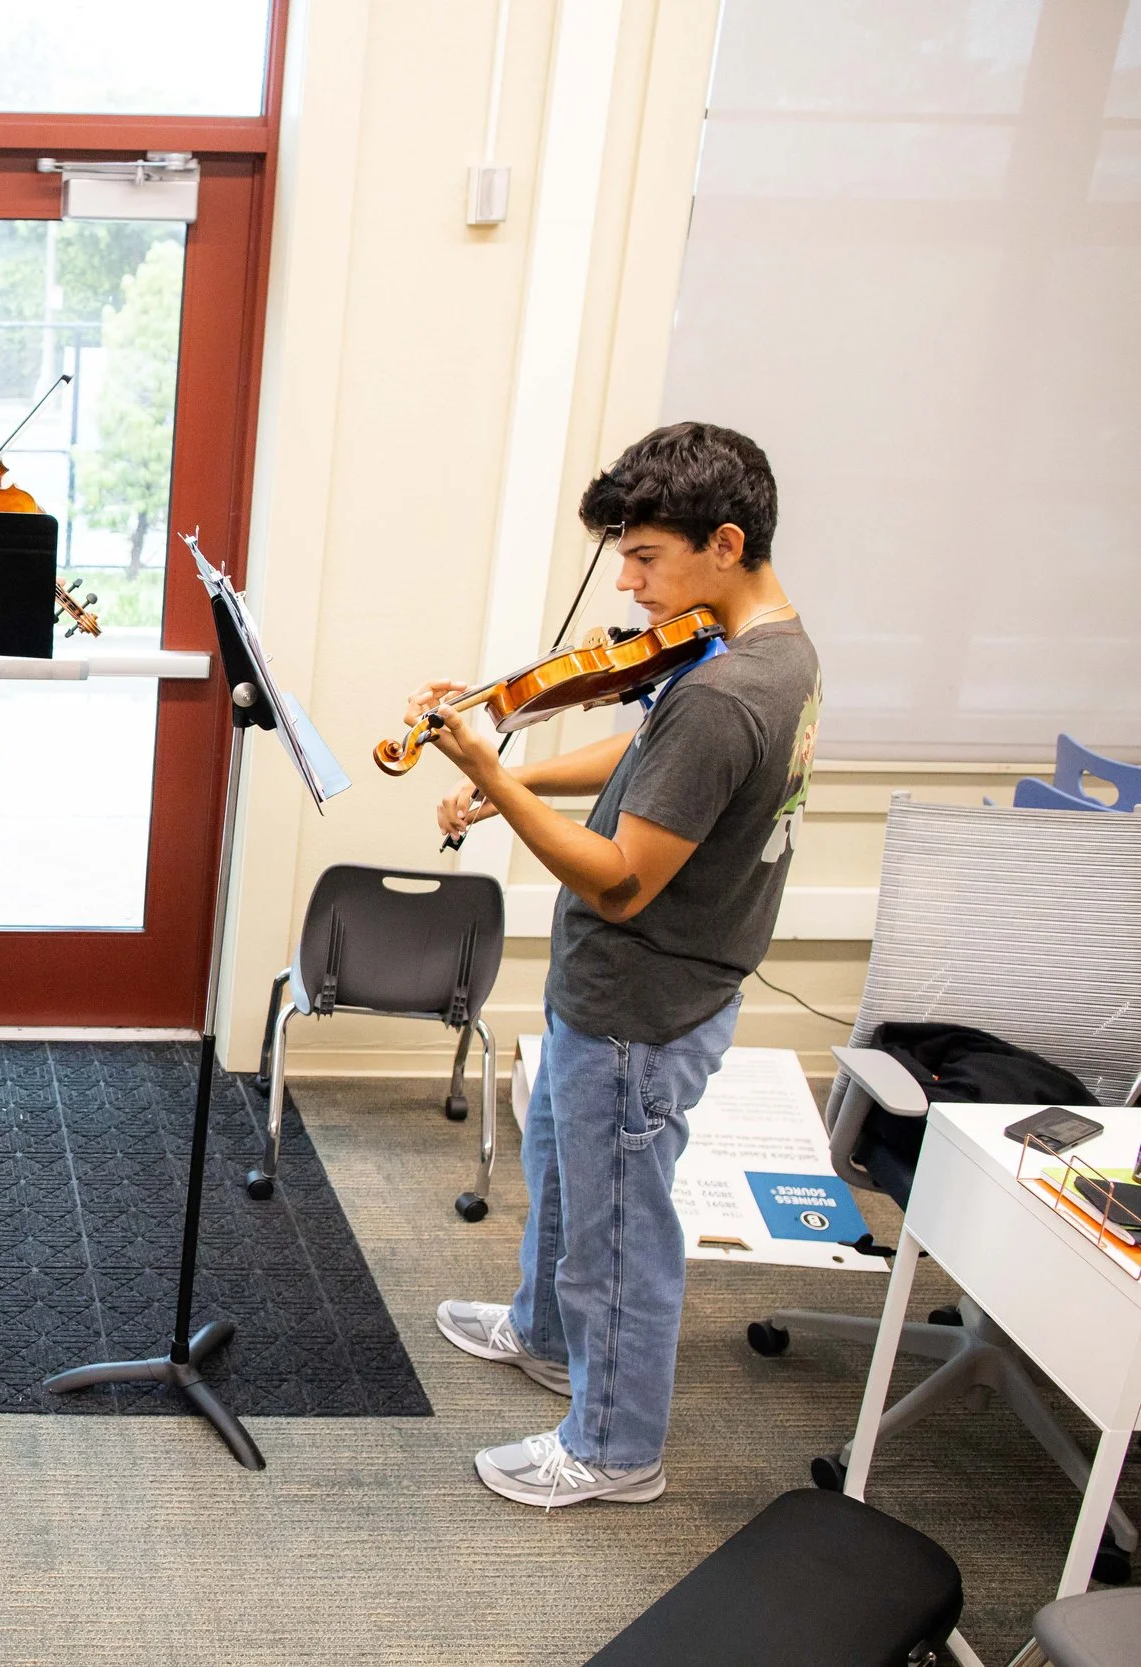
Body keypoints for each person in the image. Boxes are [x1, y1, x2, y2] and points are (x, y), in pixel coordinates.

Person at [412, 422, 821, 1509]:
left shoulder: (727, 695)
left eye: (644, 557)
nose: (629, 585)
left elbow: (623, 882)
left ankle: (612, 1447)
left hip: (642, 1001)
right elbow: (648, 757)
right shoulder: (769, 649)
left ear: (724, 542)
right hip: (632, 991)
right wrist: (514, 779)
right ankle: (546, 1335)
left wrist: (495, 775)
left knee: (618, 1234)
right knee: (566, 1172)